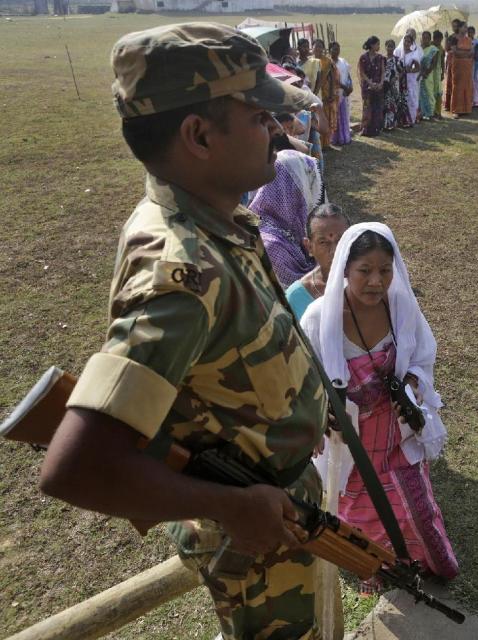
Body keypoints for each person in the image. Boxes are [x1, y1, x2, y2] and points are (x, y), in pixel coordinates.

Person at [39, 23, 336, 640]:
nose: (277, 131)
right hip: (253, 540)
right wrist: (231, 506)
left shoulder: (215, 216)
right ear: (199, 135)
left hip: (271, 508)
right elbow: (75, 467)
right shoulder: (180, 275)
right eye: (259, 117)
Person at [301, 223, 459, 594]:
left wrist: (412, 386)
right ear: (344, 269)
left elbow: (423, 356)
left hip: (395, 432)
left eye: (385, 271)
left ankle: (424, 564)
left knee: (415, 509)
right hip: (350, 444)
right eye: (365, 271)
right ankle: (377, 569)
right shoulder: (319, 319)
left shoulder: (402, 308)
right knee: (360, 513)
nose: (376, 281)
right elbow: (304, 378)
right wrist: (321, 411)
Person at [248, 149, 327, 289]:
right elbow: (294, 298)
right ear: (292, 191)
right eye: (309, 184)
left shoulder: (288, 227)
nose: (312, 193)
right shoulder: (271, 245)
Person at [286, 203, 351, 320]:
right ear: (309, 247)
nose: (334, 251)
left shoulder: (367, 283)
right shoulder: (295, 297)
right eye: (323, 242)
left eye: (340, 240)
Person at [304, 40, 339, 149]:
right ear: (312, 48)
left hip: (325, 92)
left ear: (323, 48)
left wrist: (331, 93)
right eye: (316, 46)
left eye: (320, 46)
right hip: (310, 91)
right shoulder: (309, 61)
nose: (318, 48)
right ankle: (316, 142)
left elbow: (333, 78)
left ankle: (326, 143)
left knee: (325, 116)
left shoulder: (327, 61)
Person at [359, 36, 385, 137]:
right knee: (367, 107)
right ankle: (366, 128)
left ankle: (376, 129)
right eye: (377, 44)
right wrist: (369, 83)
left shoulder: (380, 58)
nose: (379, 46)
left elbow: (383, 71)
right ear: (372, 45)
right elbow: (362, 72)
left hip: (378, 87)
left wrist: (381, 83)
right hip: (367, 87)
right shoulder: (363, 58)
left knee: (377, 107)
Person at [382, 40, 411, 131]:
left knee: (394, 104)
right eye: (388, 46)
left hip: (395, 85)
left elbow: (402, 72)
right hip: (385, 86)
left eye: (391, 46)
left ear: (394, 48)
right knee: (387, 104)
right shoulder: (382, 59)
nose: (389, 48)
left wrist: (396, 78)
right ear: (385, 47)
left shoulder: (397, 60)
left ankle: (394, 123)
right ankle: (387, 124)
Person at [330, 42, 352, 146]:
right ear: (329, 50)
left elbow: (348, 75)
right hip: (333, 94)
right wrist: (344, 87)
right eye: (334, 49)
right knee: (334, 116)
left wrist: (349, 87)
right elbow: (332, 80)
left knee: (343, 115)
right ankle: (333, 139)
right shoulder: (328, 63)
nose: (336, 51)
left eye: (338, 49)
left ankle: (344, 137)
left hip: (343, 94)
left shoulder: (343, 61)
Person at [450, 22, 474, 117]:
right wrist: (465, 54)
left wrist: (464, 54)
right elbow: (455, 52)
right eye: (464, 27)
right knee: (458, 85)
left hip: (467, 65)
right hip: (458, 65)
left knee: (467, 85)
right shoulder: (454, 39)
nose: (466, 29)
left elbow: (472, 51)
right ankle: (456, 109)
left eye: (466, 27)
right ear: (459, 28)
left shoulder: (469, 39)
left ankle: (466, 108)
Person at [399, 33, 422, 123]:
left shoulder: (413, 54)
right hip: (400, 79)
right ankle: (401, 118)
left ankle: (411, 118)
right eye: (405, 41)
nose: (406, 43)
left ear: (411, 43)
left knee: (411, 98)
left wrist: (410, 70)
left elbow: (418, 68)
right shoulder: (399, 52)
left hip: (409, 79)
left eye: (409, 41)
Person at [419, 31, 441, 120]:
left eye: (427, 38)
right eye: (424, 38)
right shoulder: (418, 49)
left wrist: (426, 73)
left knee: (429, 93)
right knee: (421, 94)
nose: (425, 40)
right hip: (419, 74)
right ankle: (422, 112)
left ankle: (430, 112)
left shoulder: (433, 49)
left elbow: (433, 64)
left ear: (430, 39)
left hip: (428, 75)